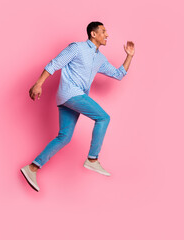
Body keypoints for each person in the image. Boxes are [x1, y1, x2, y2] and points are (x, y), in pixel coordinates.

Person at [20, 21, 135, 192]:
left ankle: (32, 168)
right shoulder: (77, 48)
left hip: (72, 99)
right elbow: (55, 63)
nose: (107, 35)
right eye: (103, 31)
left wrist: (129, 56)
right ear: (93, 34)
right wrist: (38, 84)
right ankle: (93, 159)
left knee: (64, 137)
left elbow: (118, 75)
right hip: (70, 93)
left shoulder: (100, 58)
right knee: (103, 117)